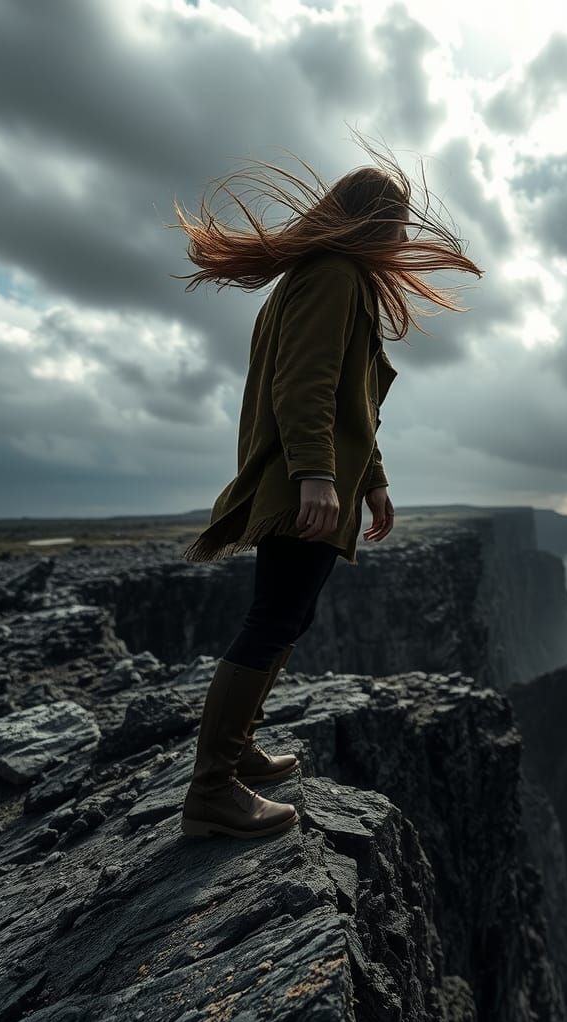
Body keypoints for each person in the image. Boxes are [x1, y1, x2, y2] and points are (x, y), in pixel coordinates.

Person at [167, 132, 484, 839]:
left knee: (288, 612)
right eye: (395, 228)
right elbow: (305, 382)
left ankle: (236, 749)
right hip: (301, 482)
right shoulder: (333, 274)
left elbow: (352, 400)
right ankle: (211, 789)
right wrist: (315, 474)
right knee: (275, 617)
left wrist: (373, 480)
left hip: (322, 479)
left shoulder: (333, 275)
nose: (401, 241)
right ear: (372, 223)